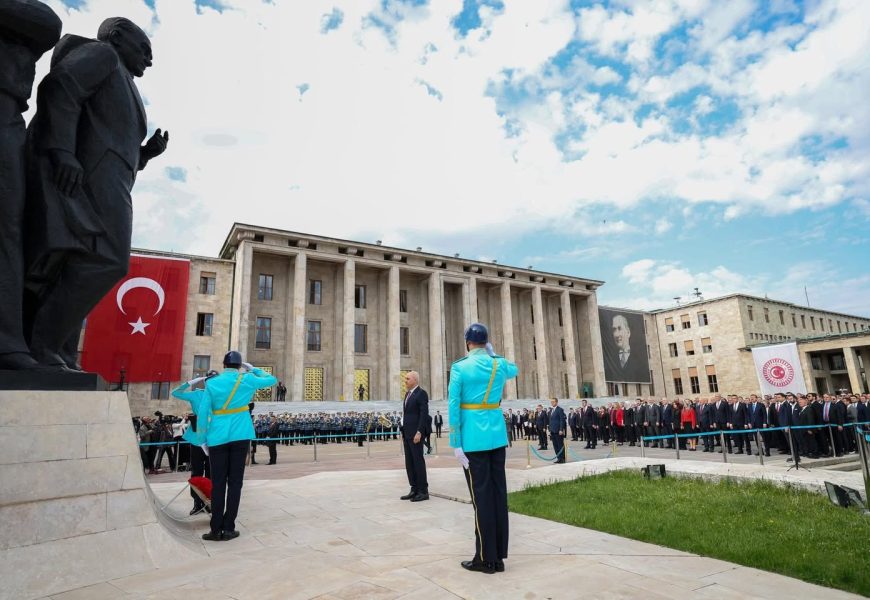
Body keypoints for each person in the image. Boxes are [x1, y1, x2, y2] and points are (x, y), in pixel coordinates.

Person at [24, 17, 169, 368]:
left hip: (113, 176)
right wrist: (61, 151)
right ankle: (42, 343)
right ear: (118, 37)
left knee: (79, 260)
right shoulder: (102, 54)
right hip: (89, 174)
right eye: (144, 49)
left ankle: (58, 350)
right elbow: (60, 87)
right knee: (105, 258)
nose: (149, 59)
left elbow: (107, 132)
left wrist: (144, 154)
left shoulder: (124, 77)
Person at [0, 0, 62, 369]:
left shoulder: (25, 15)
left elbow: (47, 26)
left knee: (9, 228)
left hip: (4, 112)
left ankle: (8, 339)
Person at [449, 322, 518, 575]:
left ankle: (484, 558)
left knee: (481, 500)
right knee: (498, 495)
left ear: (468, 342)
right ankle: (498, 556)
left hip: (473, 439)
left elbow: (454, 406)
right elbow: (515, 369)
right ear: (486, 342)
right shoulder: (499, 364)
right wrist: (494, 353)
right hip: (497, 437)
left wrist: (455, 442)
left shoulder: (460, 367)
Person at [196, 351, 276, 541]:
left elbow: (202, 412)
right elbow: (271, 379)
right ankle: (229, 527)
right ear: (240, 366)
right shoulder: (247, 379)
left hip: (217, 436)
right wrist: (254, 369)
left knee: (217, 484)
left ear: (224, 365)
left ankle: (215, 529)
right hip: (240, 435)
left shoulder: (212, 383)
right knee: (235, 483)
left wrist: (201, 439)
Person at [400, 371, 429, 502]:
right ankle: (414, 488)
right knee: (409, 463)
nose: (405, 381)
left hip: (415, 434)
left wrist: (419, 432)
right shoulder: (407, 394)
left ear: (415, 380)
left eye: (407, 378)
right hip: (407, 433)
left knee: (418, 462)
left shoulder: (421, 394)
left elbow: (423, 414)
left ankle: (423, 491)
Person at [549, 397, 567, 463]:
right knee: (555, 445)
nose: (552, 403)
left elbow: (561, 420)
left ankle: (562, 458)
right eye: (551, 402)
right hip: (553, 431)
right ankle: (558, 458)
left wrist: (561, 429)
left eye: (553, 402)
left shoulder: (560, 410)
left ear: (556, 402)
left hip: (558, 431)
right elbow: (550, 421)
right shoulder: (551, 410)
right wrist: (550, 430)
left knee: (560, 445)